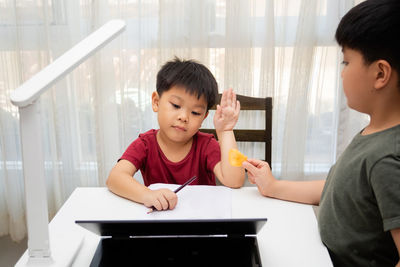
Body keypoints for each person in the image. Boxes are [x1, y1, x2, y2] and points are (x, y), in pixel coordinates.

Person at [242, 0, 400, 266]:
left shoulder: (388, 158)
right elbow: (340, 189)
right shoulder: (374, 133)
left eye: (346, 61)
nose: (341, 73)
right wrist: (274, 186)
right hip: (318, 251)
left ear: (380, 73)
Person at [106, 57, 245, 212]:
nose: (184, 117)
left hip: (200, 225)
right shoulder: (145, 144)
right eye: (176, 105)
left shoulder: (206, 145)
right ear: (156, 102)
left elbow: (235, 181)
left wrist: (225, 131)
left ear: (204, 117)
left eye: (195, 112)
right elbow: (115, 178)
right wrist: (147, 195)